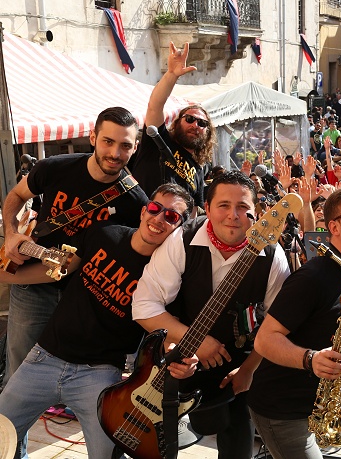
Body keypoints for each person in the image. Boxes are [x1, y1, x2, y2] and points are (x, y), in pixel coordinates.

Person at [0, 184, 196, 458]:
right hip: (45, 358)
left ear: (179, 228)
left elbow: (166, 333)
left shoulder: (168, 278)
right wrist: (6, 276)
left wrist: (184, 360)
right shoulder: (104, 233)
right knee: (2, 433)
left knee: (108, 455)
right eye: (155, 208)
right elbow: (58, 270)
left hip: (100, 375)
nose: (159, 218)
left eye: (172, 216)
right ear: (143, 211)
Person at [132, 171, 290, 458]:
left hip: (237, 363)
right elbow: (144, 305)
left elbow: (277, 325)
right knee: (156, 442)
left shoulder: (272, 256)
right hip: (178, 353)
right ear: (207, 207)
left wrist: (249, 370)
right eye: (223, 205)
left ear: (257, 213)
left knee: (238, 440)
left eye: (242, 207)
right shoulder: (181, 240)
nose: (233, 215)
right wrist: (193, 340)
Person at [1, 107, 148, 387]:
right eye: (107, 141)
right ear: (92, 137)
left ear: (135, 147)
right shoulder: (55, 168)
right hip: (33, 288)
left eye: (125, 145)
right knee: (18, 374)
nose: (115, 153)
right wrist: (10, 233)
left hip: (83, 299)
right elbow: (17, 195)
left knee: (74, 378)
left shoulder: (136, 202)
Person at [248, 184, 341, 458]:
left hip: (328, 399)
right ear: (334, 227)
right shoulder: (312, 277)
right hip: (284, 407)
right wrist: (311, 358)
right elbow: (265, 340)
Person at [129, 42, 214, 210]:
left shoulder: (198, 171)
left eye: (202, 123)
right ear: (177, 122)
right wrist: (171, 75)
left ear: (207, 133)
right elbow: (155, 106)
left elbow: (195, 213)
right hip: (137, 219)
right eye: (189, 119)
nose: (195, 124)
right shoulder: (158, 141)